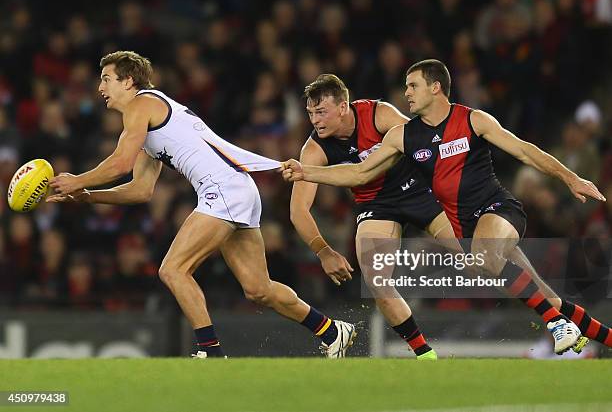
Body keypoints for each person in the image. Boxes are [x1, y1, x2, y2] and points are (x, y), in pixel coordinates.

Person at [282, 59, 611, 355]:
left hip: (454, 200)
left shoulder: (447, 119)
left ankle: (559, 321)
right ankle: (427, 356)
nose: (406, 93)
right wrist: (307, 179)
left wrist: (570, 178)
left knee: (484, 262)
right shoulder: (391, 137)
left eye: (413, 86)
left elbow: (520, 150)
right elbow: (354, 174)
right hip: (395, 208)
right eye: (309, 113)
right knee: (381, 281)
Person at [47, 50, 356, 358]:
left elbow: (120, 162)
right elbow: (140, 190)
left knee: (173, 269)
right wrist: (89, 196)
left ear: (128, 81)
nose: (100, 88)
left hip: (223, 189)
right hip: (238, 188)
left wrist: (77, 180)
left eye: (106, 79)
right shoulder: (146, 122)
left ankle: (210, 352)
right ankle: (331, 330)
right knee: (258, 288)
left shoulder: (142, 103)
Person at [291, 74, 448, 359]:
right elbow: (298, 210)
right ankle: (425, 355)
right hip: (377, 205)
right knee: (375, 277)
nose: (315, 120)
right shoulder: (314, 149)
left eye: (322, 112)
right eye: (311, 113)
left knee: (482, 256)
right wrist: (324, 252)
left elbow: (423, 146)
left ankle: (552, 311)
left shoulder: (379, 114)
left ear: (343, 107)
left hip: (419, 190)